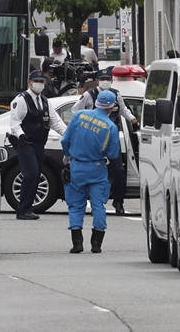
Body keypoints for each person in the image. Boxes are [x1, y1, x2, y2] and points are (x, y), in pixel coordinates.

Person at [71, 67, 137, 215]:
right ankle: (94, 202)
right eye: (102, 79)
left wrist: (132, 118)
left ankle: (118, 201)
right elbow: (76, 110)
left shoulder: (116, 94)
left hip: (111, 137)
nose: (105, 82)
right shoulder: (90, 95)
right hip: (93, 138)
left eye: (108, 79)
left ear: (112, 81)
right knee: (95, 170)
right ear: (96, 81)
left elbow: (123, 110)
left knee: (119, 171)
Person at [61, 90, 120, 254]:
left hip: (77, 167)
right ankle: (96, 244)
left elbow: (65, 139)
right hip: (97, 168)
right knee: (98, 206)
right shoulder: (110, 127)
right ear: (112, 107)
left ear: (96, 103)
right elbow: (113, 153)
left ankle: (77, 243)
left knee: (75, 205)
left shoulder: (79, 115)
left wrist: (67, 155)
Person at [8, 70, 67, 220]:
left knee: (36, 174)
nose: (39, 84)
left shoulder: (46, 102)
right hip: (25, 143)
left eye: (42, 82)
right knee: (30, 174)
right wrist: (21, 136)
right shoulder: (21, 99)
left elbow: (56, 122)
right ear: (29, 82)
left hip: (39, 144)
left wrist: (68, 134)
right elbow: (15, 122)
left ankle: (27, 208)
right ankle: (23, 209)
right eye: (36, 81)